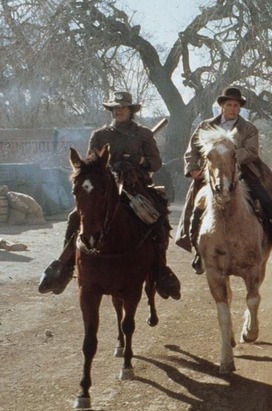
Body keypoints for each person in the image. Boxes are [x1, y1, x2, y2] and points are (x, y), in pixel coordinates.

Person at [38, 91, 180, 299]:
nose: (119, 111)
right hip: (104, 187)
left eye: (123, 107)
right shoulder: (99, 135)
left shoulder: (143, 134)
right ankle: (65, 268)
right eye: (115, 108)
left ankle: (160, 270)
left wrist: (138, 161)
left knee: (157, 216)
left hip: (135, 185)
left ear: (131, 111)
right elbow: (87, 167)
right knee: (75, 217)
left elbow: (156, 163)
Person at [175, 87, 272, 274]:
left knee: (267, 199)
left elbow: (252, 151)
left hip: (243, 171)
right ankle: (197, 248)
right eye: (229, 104)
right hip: (212, 172)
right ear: (222, 106)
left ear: (240, 108)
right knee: (195, 205)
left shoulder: (249, 128)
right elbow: (192, 150)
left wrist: (230, 158)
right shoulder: (205, 126)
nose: (232, 108)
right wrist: (193, 168)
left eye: (236, 105)